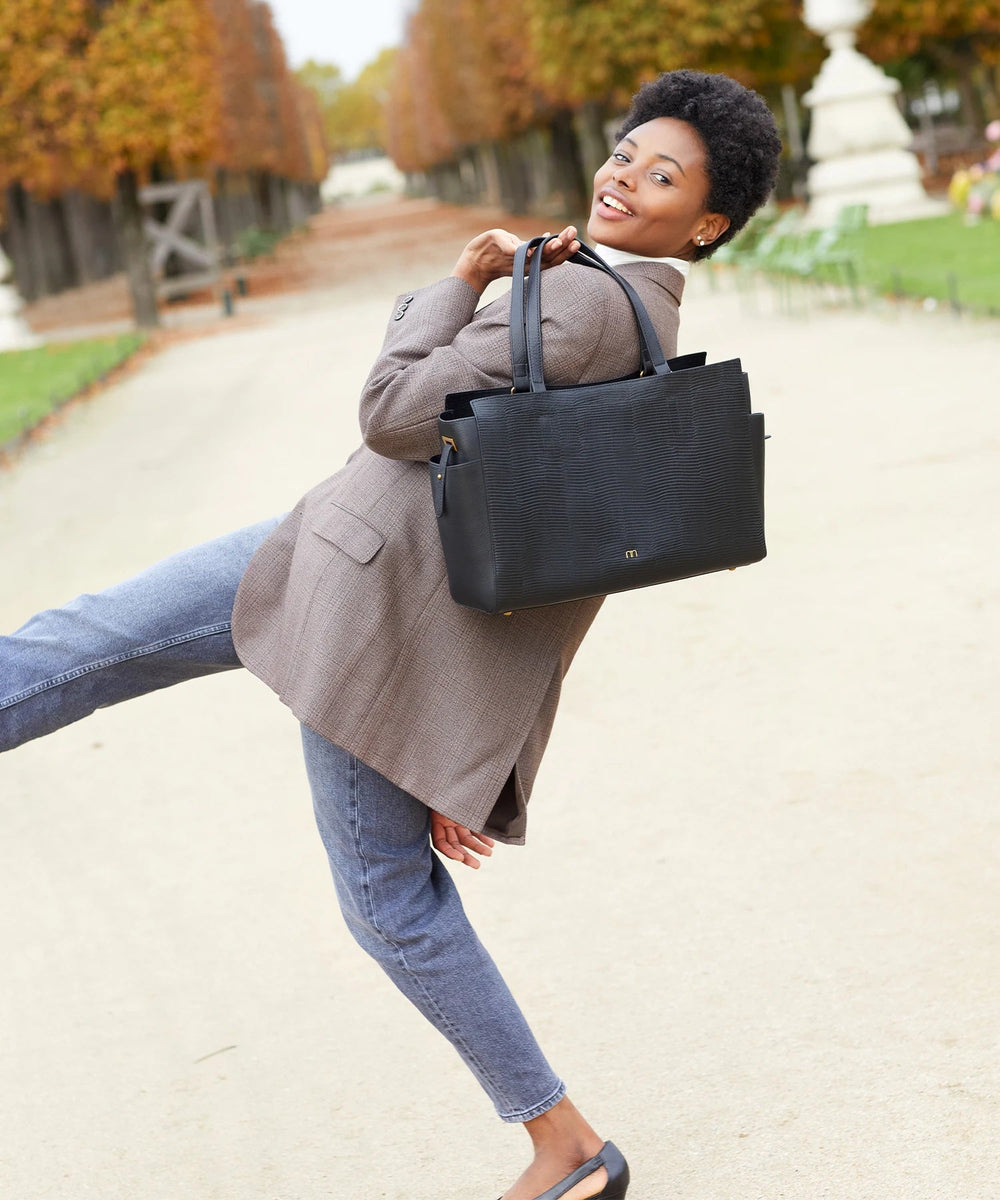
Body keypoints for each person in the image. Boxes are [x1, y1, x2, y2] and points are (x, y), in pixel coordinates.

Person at [1, 71, 781, 1200]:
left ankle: (567, 1146)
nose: (622, 178)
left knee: (379, 895)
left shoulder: (580, 307)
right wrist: (457, 738)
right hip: (339, 563)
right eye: (625, 153)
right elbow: (565, 556)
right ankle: (565, 1144)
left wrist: (459, 282)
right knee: (81, 647)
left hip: (362, 605)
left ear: (706, 223)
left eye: (663, 177)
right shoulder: (625, 305)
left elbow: (391, 413)